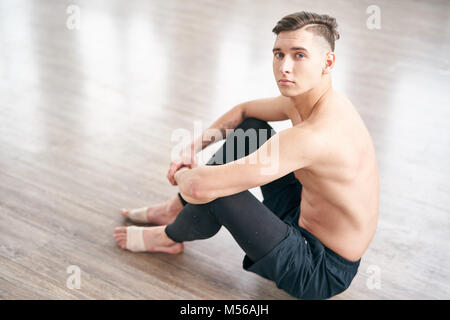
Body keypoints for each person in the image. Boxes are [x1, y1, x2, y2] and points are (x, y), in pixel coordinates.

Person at [113, 11, 379, 300]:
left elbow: (200, 186)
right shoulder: (309, 101)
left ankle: (169, 236)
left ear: (328, 62)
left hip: (319, 267)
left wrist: (183, 173)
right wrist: (192, 148)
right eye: (279, 54)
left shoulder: (316, 134)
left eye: (299, 55)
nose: (284, 67)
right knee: (249, 130)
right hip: (301, 213)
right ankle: (174, 208)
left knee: (219, 190)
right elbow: (245, 111)